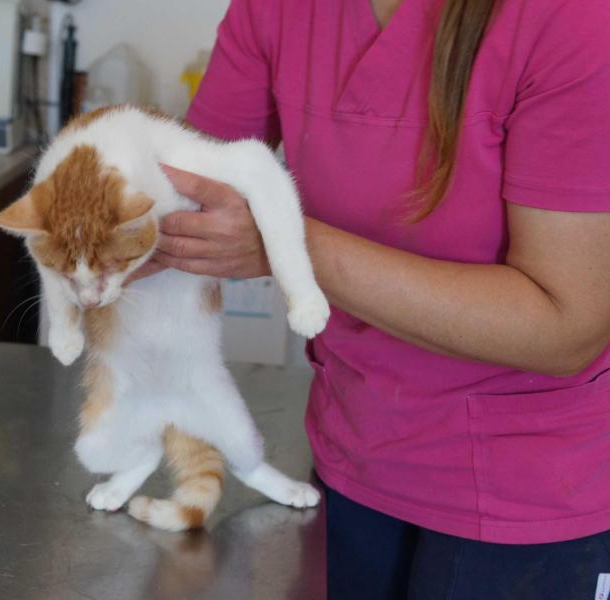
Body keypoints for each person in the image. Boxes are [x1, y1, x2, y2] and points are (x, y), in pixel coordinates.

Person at [133, 0, 610, 597]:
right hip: (352, 454)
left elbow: (567, 327)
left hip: (525, 495)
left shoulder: (573, 19)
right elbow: (191, 194)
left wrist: (285, 242)